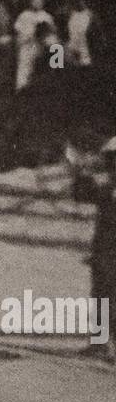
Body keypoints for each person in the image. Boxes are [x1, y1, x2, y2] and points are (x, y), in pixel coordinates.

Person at [75, 137, 116, 364]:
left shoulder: (109, 190)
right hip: (104, 253)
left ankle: (105, 344)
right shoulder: (108, 188)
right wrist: (81, 173)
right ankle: (100, 343)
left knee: (107, 295)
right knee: (101, 295)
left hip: (108, 254)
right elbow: (82, 193)